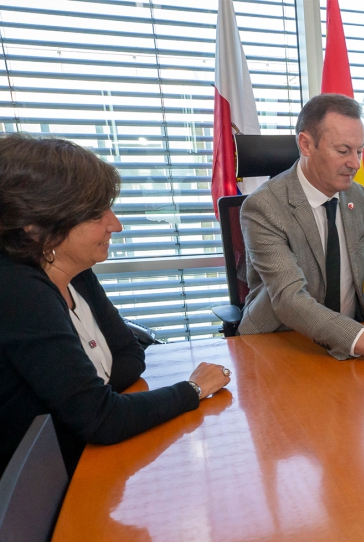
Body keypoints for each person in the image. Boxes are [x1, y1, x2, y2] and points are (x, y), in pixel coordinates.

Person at [0, 134, 231, 476]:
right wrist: (193, 389)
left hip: (82, 460)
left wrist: (100, 397)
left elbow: (130, 356)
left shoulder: (72, 269)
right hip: (41, 487)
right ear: (35, 226)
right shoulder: (18, 291)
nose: (116, 225)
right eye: (96, 214)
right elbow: (102, 420)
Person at [239, 94, 364, 366]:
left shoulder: (357, 197)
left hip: (351, 340)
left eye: (359, 150)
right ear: (306, 144)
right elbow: (289, 300)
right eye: (343, 150)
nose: (356, 164)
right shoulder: (264, 207)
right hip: (282, 344)